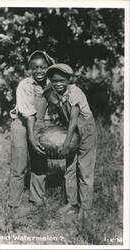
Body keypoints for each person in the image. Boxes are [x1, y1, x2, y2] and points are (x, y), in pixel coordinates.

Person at [44, 63, 97, 218]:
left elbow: (73, 120)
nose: (58, 84)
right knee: (70, 168)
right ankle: (72, 203)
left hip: (85, 131)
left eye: (62, 80)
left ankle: (85, 208)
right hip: (72, 133)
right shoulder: (57, 93)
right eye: (54, 81)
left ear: (68, 79)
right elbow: (62, 117)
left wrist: (66, 145)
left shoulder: (75, 92)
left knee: (84, 170)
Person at [8, 50, 55, 214]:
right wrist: (32, 138)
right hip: (22, 125)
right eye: (35, 67)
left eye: (43, 67)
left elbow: (51, 110)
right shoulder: (24, 85)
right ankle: (13, 204)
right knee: (19, 165)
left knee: (40, 163)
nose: (39, 71)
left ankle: (37, 200)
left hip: (41, 125)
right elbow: (28, 114)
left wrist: (46, 133)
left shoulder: (52, 85)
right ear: (30, 69)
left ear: (48, 67)